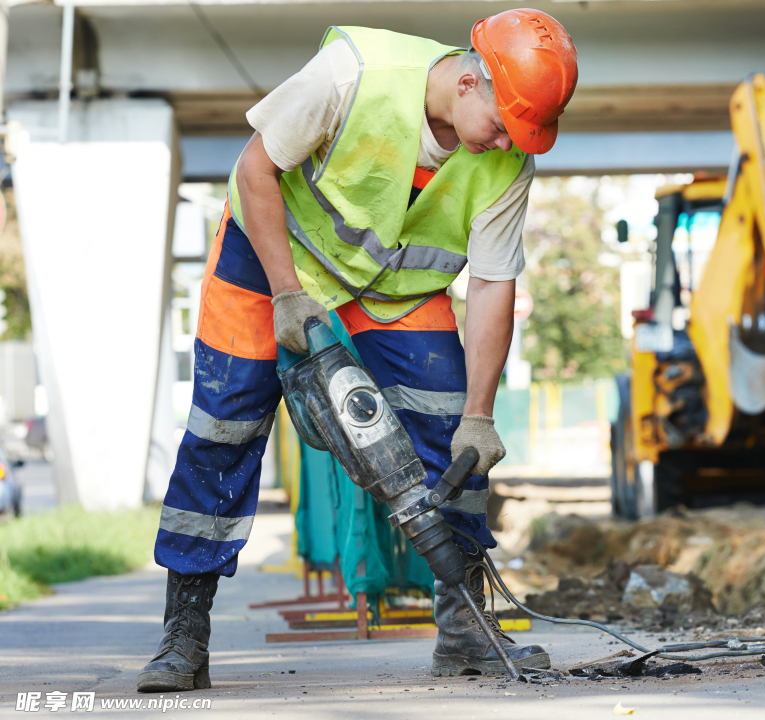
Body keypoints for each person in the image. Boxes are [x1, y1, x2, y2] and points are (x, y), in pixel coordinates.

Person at [137, 9, 578, 692]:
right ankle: (184, 636)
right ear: (470, 83)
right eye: (504, 125)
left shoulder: (507, 157)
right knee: (222, 431)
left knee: (450, 429)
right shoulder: (356, 72)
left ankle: (466, 631)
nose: (506, 144)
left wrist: (481, 415)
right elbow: (256, 170)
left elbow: (492, 284)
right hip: (269, 260)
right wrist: (286, 294)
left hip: (391, 286)